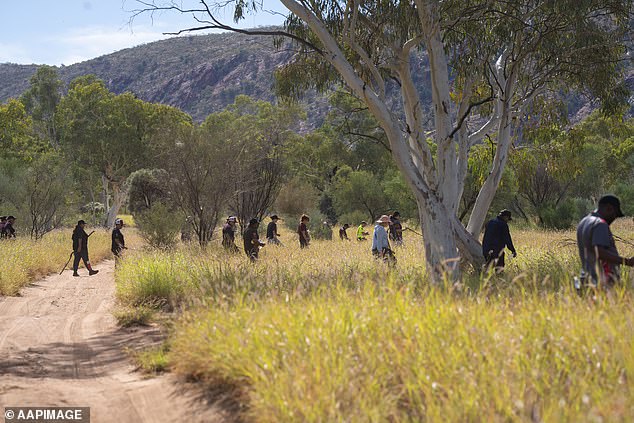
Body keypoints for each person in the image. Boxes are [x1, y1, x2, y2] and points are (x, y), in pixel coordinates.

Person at [577, 195, 634, 288]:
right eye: (615, 214)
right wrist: (627, 261)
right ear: (609, 208)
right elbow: (599, 252)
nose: (614, 218)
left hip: (587, 279)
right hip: (602, 281)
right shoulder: (600, 224)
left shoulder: (584, 221)